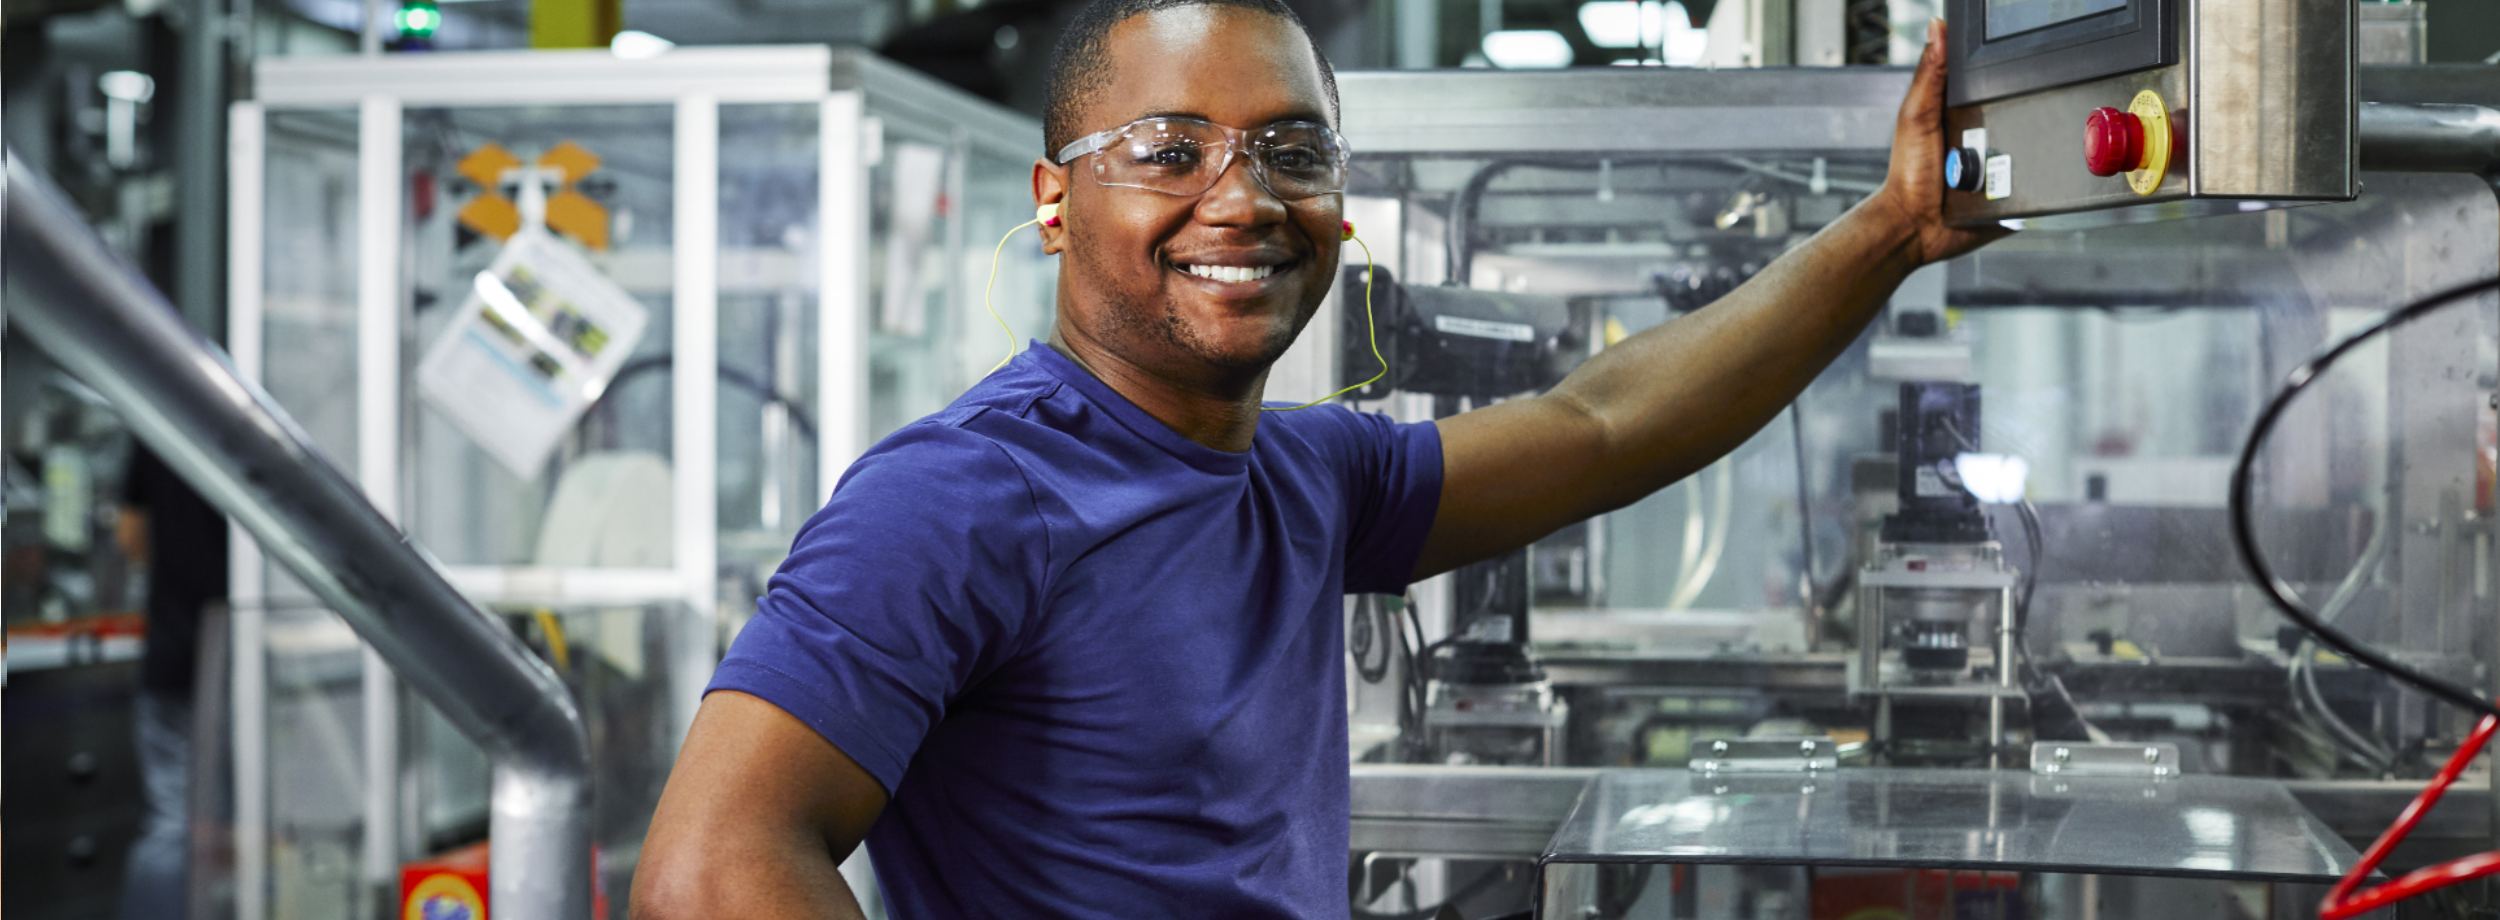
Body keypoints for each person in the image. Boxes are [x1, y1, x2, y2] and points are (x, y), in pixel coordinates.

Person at [632, 1, 2000, 916]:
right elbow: (711, 865)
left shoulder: (1306, 482)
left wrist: (1883, 233)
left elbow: (1603, 426)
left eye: (1293, 149)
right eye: (1169, 150)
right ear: (1057, 200)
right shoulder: (965, 496)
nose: (1243, 196)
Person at [118, 445, 228, 920]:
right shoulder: (259, 407)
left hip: (172, 650)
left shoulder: (158, 408)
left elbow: (130, 536)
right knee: (224, 828)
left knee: (174, 825)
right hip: (239, 659)